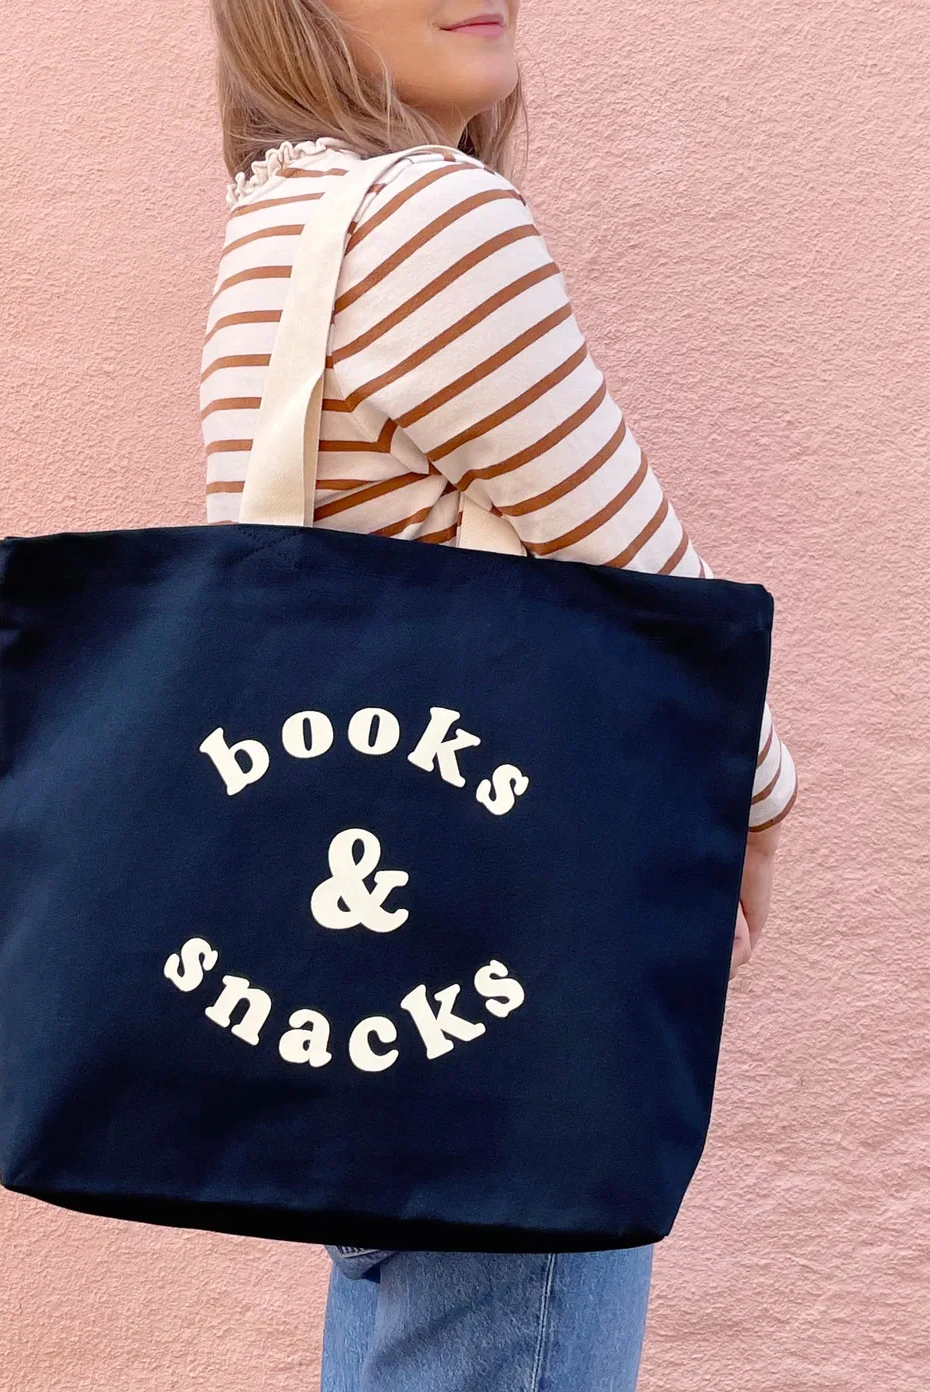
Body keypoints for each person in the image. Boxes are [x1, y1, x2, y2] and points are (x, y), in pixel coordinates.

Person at [199, 2, 799, 1387]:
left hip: (373, 987)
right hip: (507, 983)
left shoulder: (284, 222)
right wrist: (760, 800)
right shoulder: (432, 223)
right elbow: (653, 593)